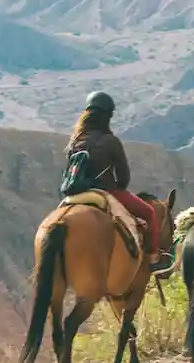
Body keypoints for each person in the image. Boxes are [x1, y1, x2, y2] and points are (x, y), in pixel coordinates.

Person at [66, 91, 168, 271]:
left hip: (75, 194)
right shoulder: (110, 141)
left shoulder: (75, 141)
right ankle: (152, 258)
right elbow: (123, 178)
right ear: (108, 116)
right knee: (149, 213)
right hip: (105, 192)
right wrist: (116, 187)